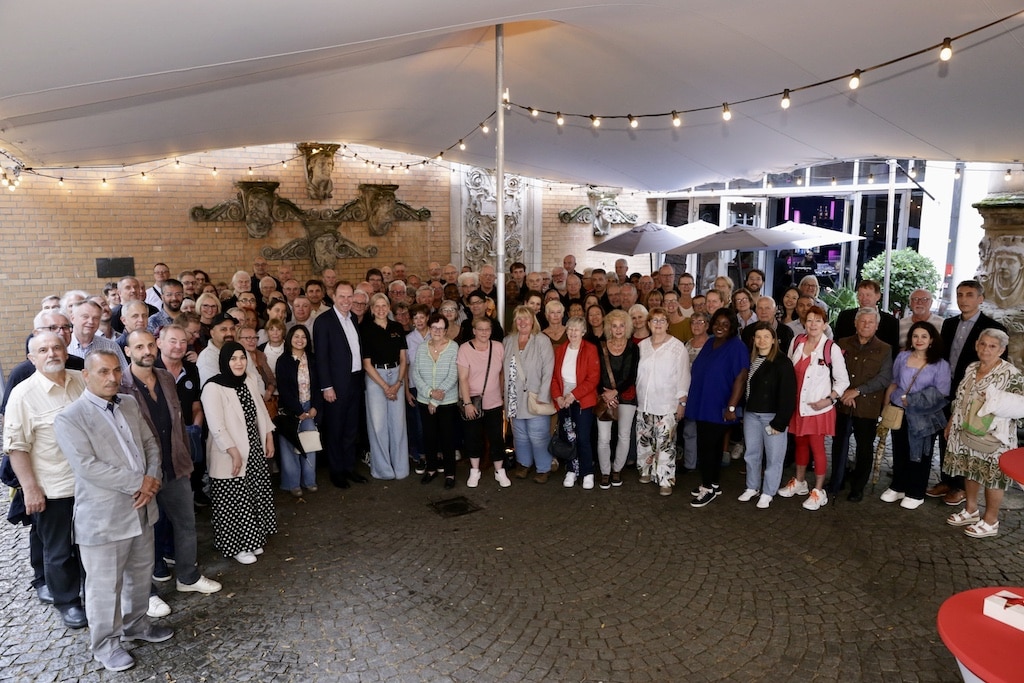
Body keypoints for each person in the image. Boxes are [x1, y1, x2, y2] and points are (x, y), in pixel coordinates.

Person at [53, 350, 172, 672]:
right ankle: (105, 644)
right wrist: (140, 482)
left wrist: (153, 479)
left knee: (139, 576)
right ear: (86, 376)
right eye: (103, 372)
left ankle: (136, 626)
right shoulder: (70, 418)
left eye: (116, 371)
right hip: (104, 518)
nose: (112, 378)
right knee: (104, 587)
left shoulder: (129, 404)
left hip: (142, 510)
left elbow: (150, 445)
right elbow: (88, 467)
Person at [122, 331, 222, 597]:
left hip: (175, 465)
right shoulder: (121, 385)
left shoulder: (166, 378)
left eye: (150, 345)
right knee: (146, 533)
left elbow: (179, 423)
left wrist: (186, 460)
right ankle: (149, 591)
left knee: (186, 523)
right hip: (143, 473)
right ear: (128, 351)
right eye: (139, 346)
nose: (146, 351)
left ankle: (188, 576)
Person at [2, 332, 87, 629]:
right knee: (59, 550)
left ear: (66, 351)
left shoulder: (82, 380)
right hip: (54, 488)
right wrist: (30, 489)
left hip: (90, 486)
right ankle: (68, 602)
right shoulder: (23, 395)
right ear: (32, 358)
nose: (51, 353)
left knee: (90, 545)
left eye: (56, 347)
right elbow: (16, 447)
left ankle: (92, 594)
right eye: (43, 350)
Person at [932, 280, 1007, 506]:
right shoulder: (949, 324)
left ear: (980, 299)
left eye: (969, 294)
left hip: (975, 392)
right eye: (960, 294)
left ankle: (961, 487)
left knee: (966, 439)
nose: (964, 299)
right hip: (948, 388)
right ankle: (946, 480)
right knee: (946, 436)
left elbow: (999, 363)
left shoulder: (993, 327)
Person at [943, 328, 1024, 537]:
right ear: (976, 345)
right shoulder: (971, 368)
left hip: (994, 436)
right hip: (965, 430)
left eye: (992, 346)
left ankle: (991, 520)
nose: (986, 349)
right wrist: (952, 420)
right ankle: (970, 510)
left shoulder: (1011, 374)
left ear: (1002, 349)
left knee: (992, 477)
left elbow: (1020, 406)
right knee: (970, 468)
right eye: (982, 344)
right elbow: (960, 398)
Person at [201, 342, 276, 564]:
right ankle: (236, 546)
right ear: (225, 361)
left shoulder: (249, 380)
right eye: (233, 359)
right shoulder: (213, 387)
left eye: (241, 358)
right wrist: (233, 452)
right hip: (227, 452)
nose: (238, 362)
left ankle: (253, 539)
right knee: (233, 499)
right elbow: (216, 426)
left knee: (253, 493)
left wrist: (268, 436)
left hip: (252, 446)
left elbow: (261, 411)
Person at [779, 306, 850, 510]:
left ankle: (819, 491)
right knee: (800, 443)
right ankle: (800, 482)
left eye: (817, 321)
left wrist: (828, 400)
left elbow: (842, 381)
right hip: (797, 405)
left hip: (818, 408)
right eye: (809, 320)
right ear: (804, 323)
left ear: (825, 324)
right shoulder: (798, 341)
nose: (813, 324)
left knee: (817, 448)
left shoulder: (830, 348)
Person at [879, 322, 949, 509]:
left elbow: (942, 393)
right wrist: (886, 407)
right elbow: (894, 382)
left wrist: (912, 399)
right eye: (915, 336)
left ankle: (916, 492)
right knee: (899, 450)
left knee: (920, 454)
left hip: (923, 417)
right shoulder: (902, 356)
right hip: (899, 412)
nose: (919, 340)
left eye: (924, 336)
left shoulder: (940, 364)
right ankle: (898, 486)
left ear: (932, 339)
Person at [687, 308, 749, 506]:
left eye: (725, 324)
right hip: (702, 402)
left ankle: (707, 488)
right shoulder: (710, 342)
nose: (720, 327)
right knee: (710, 447)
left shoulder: (736, 346)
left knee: (707, 447)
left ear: (732, 327)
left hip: (719, 405)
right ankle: (713, 483)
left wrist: (731, 408)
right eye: (717, 323)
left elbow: (741, 377)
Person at [831, 308, 894, 501]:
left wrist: (857, 391)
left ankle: (858, 487)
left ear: (877, 326)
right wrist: (844, 392)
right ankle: (837, 480)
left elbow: (884, 378)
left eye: (870, 322)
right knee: (839, 444)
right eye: (862, 321)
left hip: (867, 406)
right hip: (843, 403)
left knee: (864, 448)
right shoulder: (842, 343)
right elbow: (833, 369)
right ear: (855, 323)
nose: (866, 325)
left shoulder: (885, 348)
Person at [313, 282, 369, 488]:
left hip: (355, 381)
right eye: (342, 296)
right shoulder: (323, 321)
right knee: (335, 429)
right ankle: (336, 472)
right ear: (333, 296)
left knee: (351, 428)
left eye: (349, 297)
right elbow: (321, 357)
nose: (346, 301)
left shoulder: (353, 318)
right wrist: (326, 386)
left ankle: (349, 468)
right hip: (335, 385)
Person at [739, 323, 796, 508]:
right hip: (752, 414)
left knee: (774, 457)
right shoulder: (753, 359)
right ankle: (752, 486)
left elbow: (788, 395)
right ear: (754, 340)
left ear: (774, 340)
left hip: (772, 416)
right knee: (751, 453)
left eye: (766, 336)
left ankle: (768, 491)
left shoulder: (782, 362)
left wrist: (780, 422)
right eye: (758, 337)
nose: (762, 340)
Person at [635, 308, 690, 496]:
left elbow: (684, 376)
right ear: (648, 324)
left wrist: (681, 403)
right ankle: (646, 471)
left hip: (667, 404)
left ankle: (666, 479)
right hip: (644, 402)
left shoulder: (677, 347)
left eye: (662, 320)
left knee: (665, 444)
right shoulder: (642, 346)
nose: (658, 324)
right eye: (654, 320)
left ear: (668, 324)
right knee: (644, 441)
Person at [504, 306, 556, 483]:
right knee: (519, 434)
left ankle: (543, 467)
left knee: (538, 434)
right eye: (519, 319)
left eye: (526, 318)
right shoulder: (508, 341)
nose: (522, 322)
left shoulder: (541, 340)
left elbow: (549, 370)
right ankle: (524, 463)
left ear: (533, 321)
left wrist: (544, 394)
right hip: (513, 396)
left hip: (535, 395)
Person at [360, 293, 409, 480]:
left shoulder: (397, 327)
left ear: (389, 307)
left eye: (384, 305)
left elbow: (404, 358)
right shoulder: (366, 329)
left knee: (398, 424)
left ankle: (401, 468)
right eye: (377, 306)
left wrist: (397, 384)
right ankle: (383, 470)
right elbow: (366, 363)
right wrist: (385, 387)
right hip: (375, 377)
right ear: (372, 309)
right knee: (378, 426)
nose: (381, 309)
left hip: (396, 374)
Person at [457, 317, 509, 487]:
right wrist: (467, 403)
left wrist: (501, 395)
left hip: (494, 401)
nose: (484, 332)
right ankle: (474, 470)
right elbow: (463, 378)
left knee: (496, 437)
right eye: (480, 329)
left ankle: (499, 470)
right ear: (474, 331)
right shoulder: (465, 349)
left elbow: (501, 373)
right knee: (473, 437)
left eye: (487, 329)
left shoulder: (498, 347)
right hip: (472, 401)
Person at [551, 317, 600, 489]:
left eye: (577, 330)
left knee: (583, 437)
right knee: (567, 436)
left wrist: (573, 394)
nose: (573, 333)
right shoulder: (561, 350)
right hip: (564, 400)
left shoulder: (591, 349)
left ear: (583, 332)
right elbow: (555, 377)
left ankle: (587, 472)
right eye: (570, 329)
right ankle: (572, 469)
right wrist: (558, 396)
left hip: (583, 399)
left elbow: (593, 379)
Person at [274, 326, 322, 497]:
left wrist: (315, 406)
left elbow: (318, 386)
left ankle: (309, 480)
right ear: (290, 338)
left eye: (303, 337)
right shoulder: (283, 361)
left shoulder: (313, 359)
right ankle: (292, 483)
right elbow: (284, 389)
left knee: (310, 444)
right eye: (296, 336)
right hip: (290, 409)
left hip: (310, 406)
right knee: (289, 446)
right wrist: (297, 410)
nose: (300, 340)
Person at [414, 314, 460, 489]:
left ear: (446, 330)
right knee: (429, 436)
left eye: (441, 328)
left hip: (447, 402)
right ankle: (431, 469)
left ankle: (450, 473)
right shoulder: (421, 348)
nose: (437, 331)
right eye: (434, 328)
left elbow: (453, 375)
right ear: (430, 329)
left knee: (448, 438)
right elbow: (416, 374)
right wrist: (430, 394)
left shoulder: (454, 347)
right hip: (424, 400)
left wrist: (436, 400)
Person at [595, 310, 639, 489]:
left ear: (627, 327)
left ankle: (617, 469)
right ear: (609, 328)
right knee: (603, 437)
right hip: (604, 396)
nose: (619, 329)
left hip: (626, 396)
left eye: (622, 325)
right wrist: (605, 394)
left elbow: (631, 375)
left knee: (623, 435)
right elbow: (595, 373)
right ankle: (605, 471)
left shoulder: (633, 347)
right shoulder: (601, 346)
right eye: (614, 326)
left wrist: (615, 392)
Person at [833, 279, 900, 356]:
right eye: (861, 295)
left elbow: (894, 351)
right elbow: (837, 343)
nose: (864, 299)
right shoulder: (845, 317)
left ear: (878, 296)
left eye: (868, 295)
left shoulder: (891, 322)